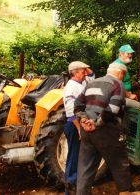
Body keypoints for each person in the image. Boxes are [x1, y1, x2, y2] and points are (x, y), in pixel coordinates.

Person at [75, 62, 133, 194]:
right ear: (120, 73)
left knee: (85, 168)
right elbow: (113, 109)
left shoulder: (92, 83)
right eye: (123, 75)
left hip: (86, 131)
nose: (123, 78)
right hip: (106, 131)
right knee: (120, 165)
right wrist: (96, 123)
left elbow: (78, 103)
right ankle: (126, 191)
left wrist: (84, 120)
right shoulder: (118, 84)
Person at [62, 61, 94, 194]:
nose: (85, 73)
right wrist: (79, 129)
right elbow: (71, 113)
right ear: (75, 73)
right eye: (82, 71)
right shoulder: (71, 87)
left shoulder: (84, 82)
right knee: (74, 156)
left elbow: (92, 76)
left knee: (81, 156)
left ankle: (79, 186)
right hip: (75, 125)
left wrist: (86, 68)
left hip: (82, 123)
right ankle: (70, 187)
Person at [114, 44, 140, 109]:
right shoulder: (118, 66)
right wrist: (129, 95)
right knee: (139, 106)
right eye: (128, 54)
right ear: (121, 54)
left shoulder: (122, 64)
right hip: (119, 96)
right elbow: (116, 86)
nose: (130, 55)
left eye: (131, 54)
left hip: (124, 95)